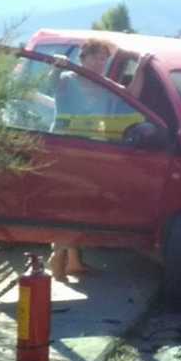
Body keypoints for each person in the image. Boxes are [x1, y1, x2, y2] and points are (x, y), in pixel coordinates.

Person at [47, 38, 117, 280]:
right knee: (68, 203)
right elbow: (49, 86)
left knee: (79, 204)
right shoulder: (68, 79)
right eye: (97, 57)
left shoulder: (104, 84)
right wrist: (58, 66)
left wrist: (140, 67)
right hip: (65, 147)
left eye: (104, 59)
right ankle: (59, 258)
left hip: (92, 149)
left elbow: (125, 99)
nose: (101, 63)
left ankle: (71, 259)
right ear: (84, 57)